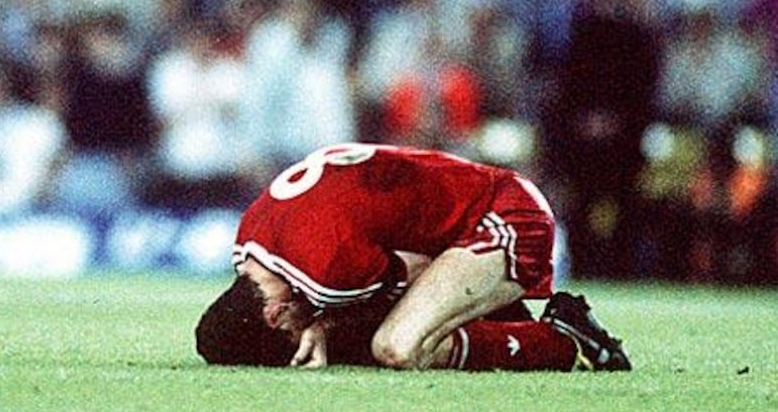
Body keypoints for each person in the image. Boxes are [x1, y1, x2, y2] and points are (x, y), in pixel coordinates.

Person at [195, 143, 632, 372]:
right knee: (373, 330)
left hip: (507, 215)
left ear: (274, 315)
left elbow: (420, 266)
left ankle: (567, 342)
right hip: (475, 204)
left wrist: (330, 326)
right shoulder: (248, 241)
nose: (298, 336)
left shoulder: (325, 273)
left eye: (288, 339)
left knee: (396, 346)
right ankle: (507, 321)